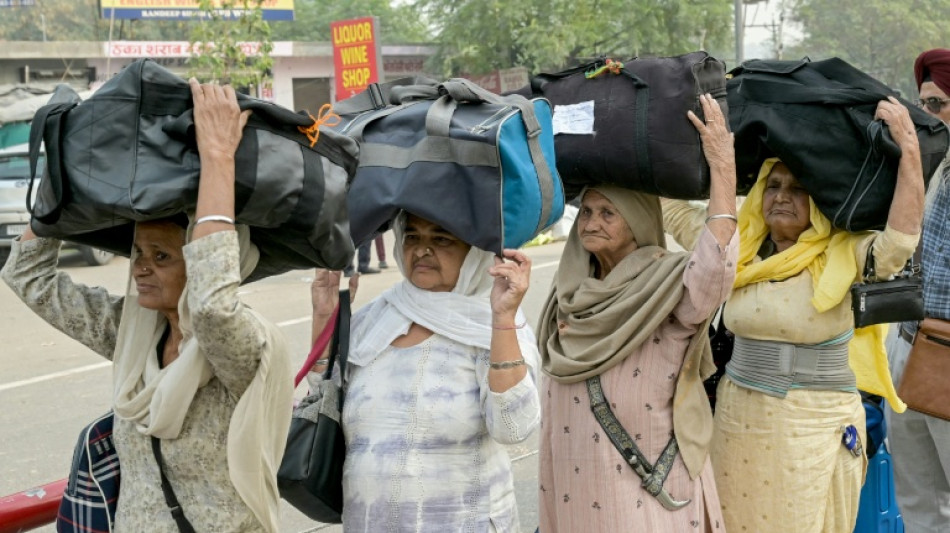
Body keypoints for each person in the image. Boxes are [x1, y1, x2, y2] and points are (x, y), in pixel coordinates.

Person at [1, 80, 293, 532]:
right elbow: (27, 278)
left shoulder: (238, 348)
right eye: (137, 253)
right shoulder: (133, 336)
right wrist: (65, 176)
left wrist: (218, 158)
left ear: (201, 262)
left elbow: (213, 307)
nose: (140, 268)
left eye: (162, 257)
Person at [668, 97, 922, 533]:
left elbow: (897, 245)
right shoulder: (737, 248)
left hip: (814, 428)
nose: (782, 196)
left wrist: (910, 154)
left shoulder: (841, 250)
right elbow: (669, 210)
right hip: (737, 422)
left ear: (819, 199)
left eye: (798, 187)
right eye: (773, 185)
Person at [536, 94, 737, 532]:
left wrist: (723, 167)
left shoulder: (665, 286)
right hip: (574, 486)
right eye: (586, 211)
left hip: (646, 490)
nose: (591, 222)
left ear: (640, 222)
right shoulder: (568, 297)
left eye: (609, 212)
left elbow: (714, 269)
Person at [308, 212, 540, 531]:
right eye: (412, 236)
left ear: (475, 251)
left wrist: (502, 317)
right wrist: (324, 316)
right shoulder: (374, 318)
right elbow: (324, 402)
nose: (421, 250)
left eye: (441, 238)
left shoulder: (491, 323)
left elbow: (513, 427)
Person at [883, 48, 950, 532]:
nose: (928, 116)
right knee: (916, 500)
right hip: (908, 346)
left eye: (938, 105)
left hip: (947, 352)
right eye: (923, 104)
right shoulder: (933, 164)